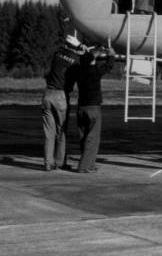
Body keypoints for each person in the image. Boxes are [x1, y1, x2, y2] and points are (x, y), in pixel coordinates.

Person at [42, 34, 85, 171]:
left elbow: (46, 72)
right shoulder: (75, 60)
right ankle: (60, 162)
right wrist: (82, 50)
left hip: (47, 93)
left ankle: (48, 163)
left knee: (49, 133)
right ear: (75, 47)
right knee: (61, 131)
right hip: (61, 95)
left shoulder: (56, 54)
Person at [72, 45, 116, 173]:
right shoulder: (95, 71)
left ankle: (90, 164)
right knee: (93, 138)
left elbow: (86, 60)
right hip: (93, 108)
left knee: (84, 138)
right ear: (92, 61)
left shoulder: (79, 71)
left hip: (81, 108)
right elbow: (109, 66)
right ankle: (84, 166)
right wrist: (111, 54)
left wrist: (90, 53)